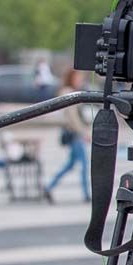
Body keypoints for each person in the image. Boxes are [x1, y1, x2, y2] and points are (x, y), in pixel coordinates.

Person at [44, 69, 91, 203]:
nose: (80, 80)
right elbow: (73, 117)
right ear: (72, 78)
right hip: (74, 134)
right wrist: (83, 133)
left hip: (73, 133)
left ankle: (49, 187)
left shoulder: (69, 91)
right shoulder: (69, 93)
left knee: (70, 165)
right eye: (78, 77)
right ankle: (86, 194)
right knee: (84, 164)